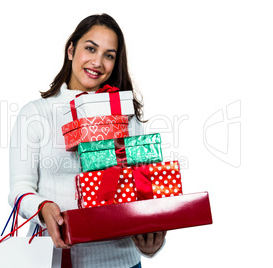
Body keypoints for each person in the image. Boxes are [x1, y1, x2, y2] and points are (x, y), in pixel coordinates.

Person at [9, 13, 166, 268]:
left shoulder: (125, 113)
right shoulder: (35, 114)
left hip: (121, 261)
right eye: (90, 48)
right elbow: (19, 190)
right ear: (71, 49)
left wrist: (152, 239)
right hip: (57, 259)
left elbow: (144, 185)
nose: (97, 62)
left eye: (109, 55)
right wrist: (42, 208)